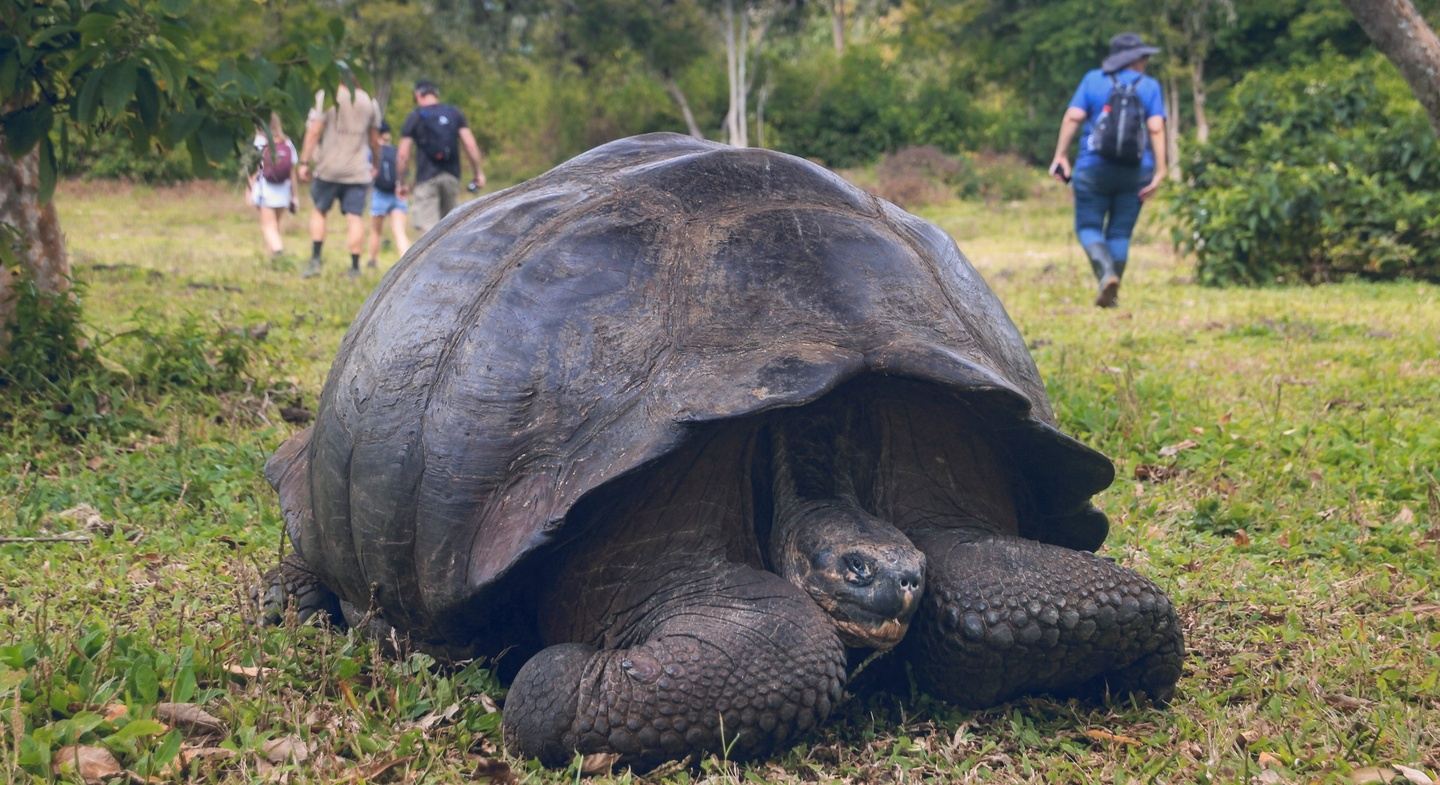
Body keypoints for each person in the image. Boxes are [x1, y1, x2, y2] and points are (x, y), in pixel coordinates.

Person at [1050, 32, 1167, 308]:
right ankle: (1111, 291)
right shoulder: (1149, 86)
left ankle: (1106, 275)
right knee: (1120, 234)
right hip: (1136, 171)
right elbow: (1156, 128)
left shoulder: (1093, 79)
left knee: (1089, 226)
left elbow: (1073, 116)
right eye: (1144, 57)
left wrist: (1061, 155)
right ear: (1134, 59)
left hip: (1093, 168)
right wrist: (1161, 170)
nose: (1146, 61)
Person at [297, 84, 382, 279]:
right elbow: (374, 140)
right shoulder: (370, 101)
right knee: (355, 217)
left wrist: (304, 162)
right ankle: (355, 267)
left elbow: (314, 131)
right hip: (357, 170)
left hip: (328, 168)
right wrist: (376, 163)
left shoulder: (327, 96)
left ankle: (315, 260)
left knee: (320, 211)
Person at [396, 80, 486, 233]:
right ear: (436, 94)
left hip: (426, 179)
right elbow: (470, 145)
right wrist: (478, 173)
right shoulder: (454, 113)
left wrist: (401, 182)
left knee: (428, 233)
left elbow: (403, 154)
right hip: (451, 177)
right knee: (452, 230)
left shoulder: (415, 116)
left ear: (418, 95)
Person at [246, 112, 297, 261]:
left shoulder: (259, 142)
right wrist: (294, 196)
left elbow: (254, 169)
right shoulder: (287, 143)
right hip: (283, 190)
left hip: (266, 190)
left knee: (268, 226)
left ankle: (279, 253)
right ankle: (272, 259)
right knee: (275, 226)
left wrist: (249, 189)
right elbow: (292, 172)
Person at [366, 120, 412, 269]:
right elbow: (404, 170)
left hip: (379, 194)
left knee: (376, 231)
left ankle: (372, 261)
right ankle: (407, 262)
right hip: (397, 194)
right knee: (399, 232)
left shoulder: (371, 152)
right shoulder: (396, 151)